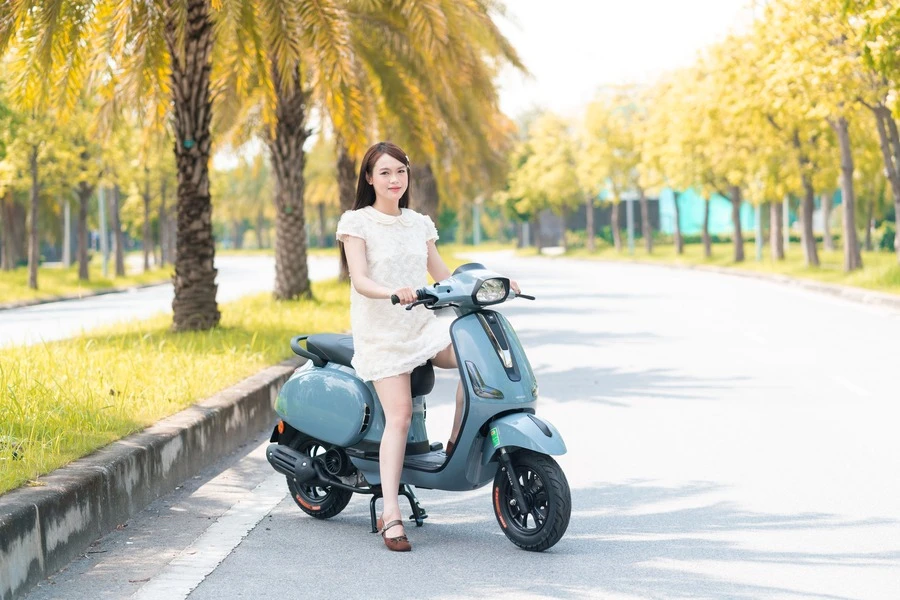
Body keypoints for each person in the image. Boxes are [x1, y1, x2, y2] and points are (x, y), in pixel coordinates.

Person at [336, 142, 518, 552]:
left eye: (400, 171)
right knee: (400, 416)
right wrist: (392, 292)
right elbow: (359, 279)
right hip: (382, 332)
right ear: (369, 178)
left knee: (479, 363)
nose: (394, 179)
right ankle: (391, 511)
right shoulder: (356, 222)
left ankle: (454, 445)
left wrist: (497, 282)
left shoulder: (419, 223)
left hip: (420, 327)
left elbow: (444, 276)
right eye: (385, 172)